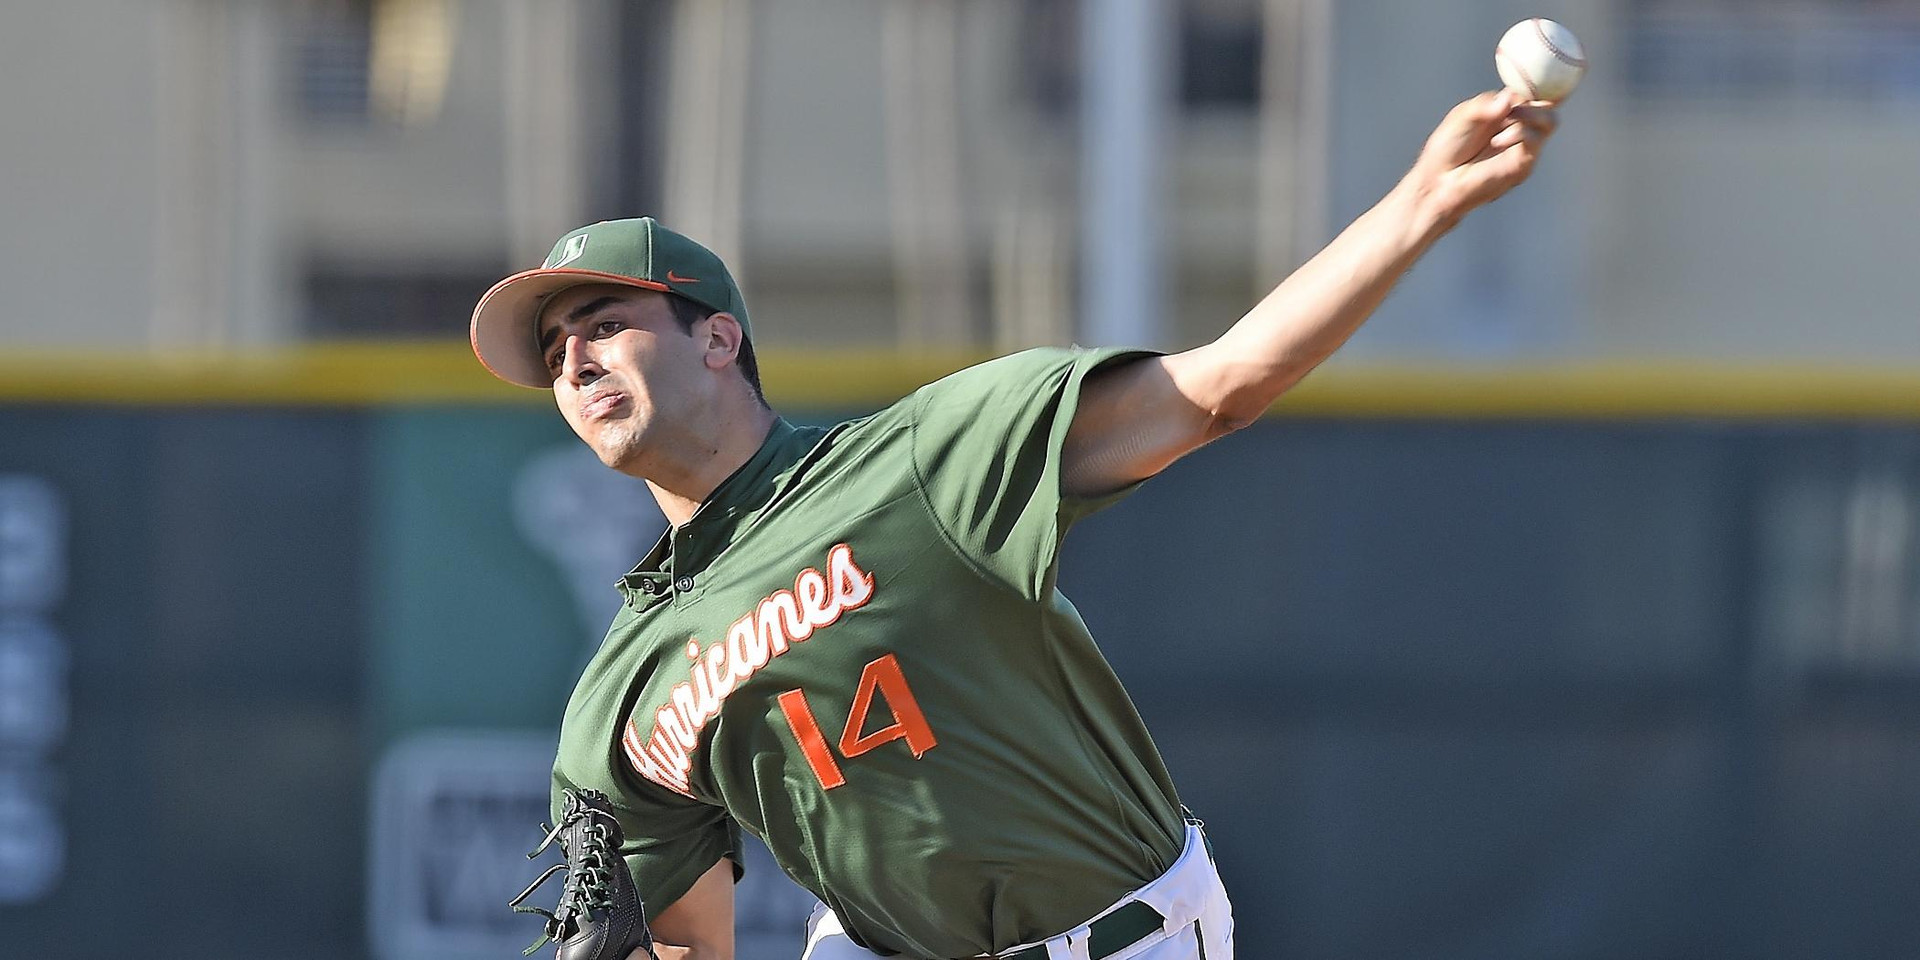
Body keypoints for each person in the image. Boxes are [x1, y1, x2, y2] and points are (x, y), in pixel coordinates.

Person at [471, 89, 1558, 960]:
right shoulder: (621, 692)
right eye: (556, 350)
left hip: (1121, 938)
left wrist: (1421, 201)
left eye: (606, 323)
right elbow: (689, 944)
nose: (574, 359)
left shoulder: (924, 462)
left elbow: (1219, 386)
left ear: (716, 341)